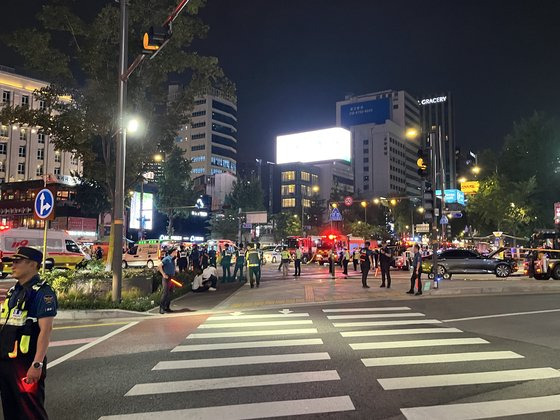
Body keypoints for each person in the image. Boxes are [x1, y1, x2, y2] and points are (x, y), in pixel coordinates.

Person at [0, 247, 57, 420]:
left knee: (31, 411)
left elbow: (45, 330)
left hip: (26, 363)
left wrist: (37, 364)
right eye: (12, 262)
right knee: (11, 410)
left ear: (32, 265)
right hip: (6, 361)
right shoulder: (14, 291)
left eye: (18, 262)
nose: (12, 265)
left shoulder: (43, 293)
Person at [158, 249, 176, 314]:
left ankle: (167, 307)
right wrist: (163, 274)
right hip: (167, 278)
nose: (176, 253)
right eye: (175, 252)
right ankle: (161, 308)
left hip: (171, 277)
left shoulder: (173, 259)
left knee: (170, 293)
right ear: (172, 252)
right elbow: (159, 266)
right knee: (165, 293)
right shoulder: (167, 259)